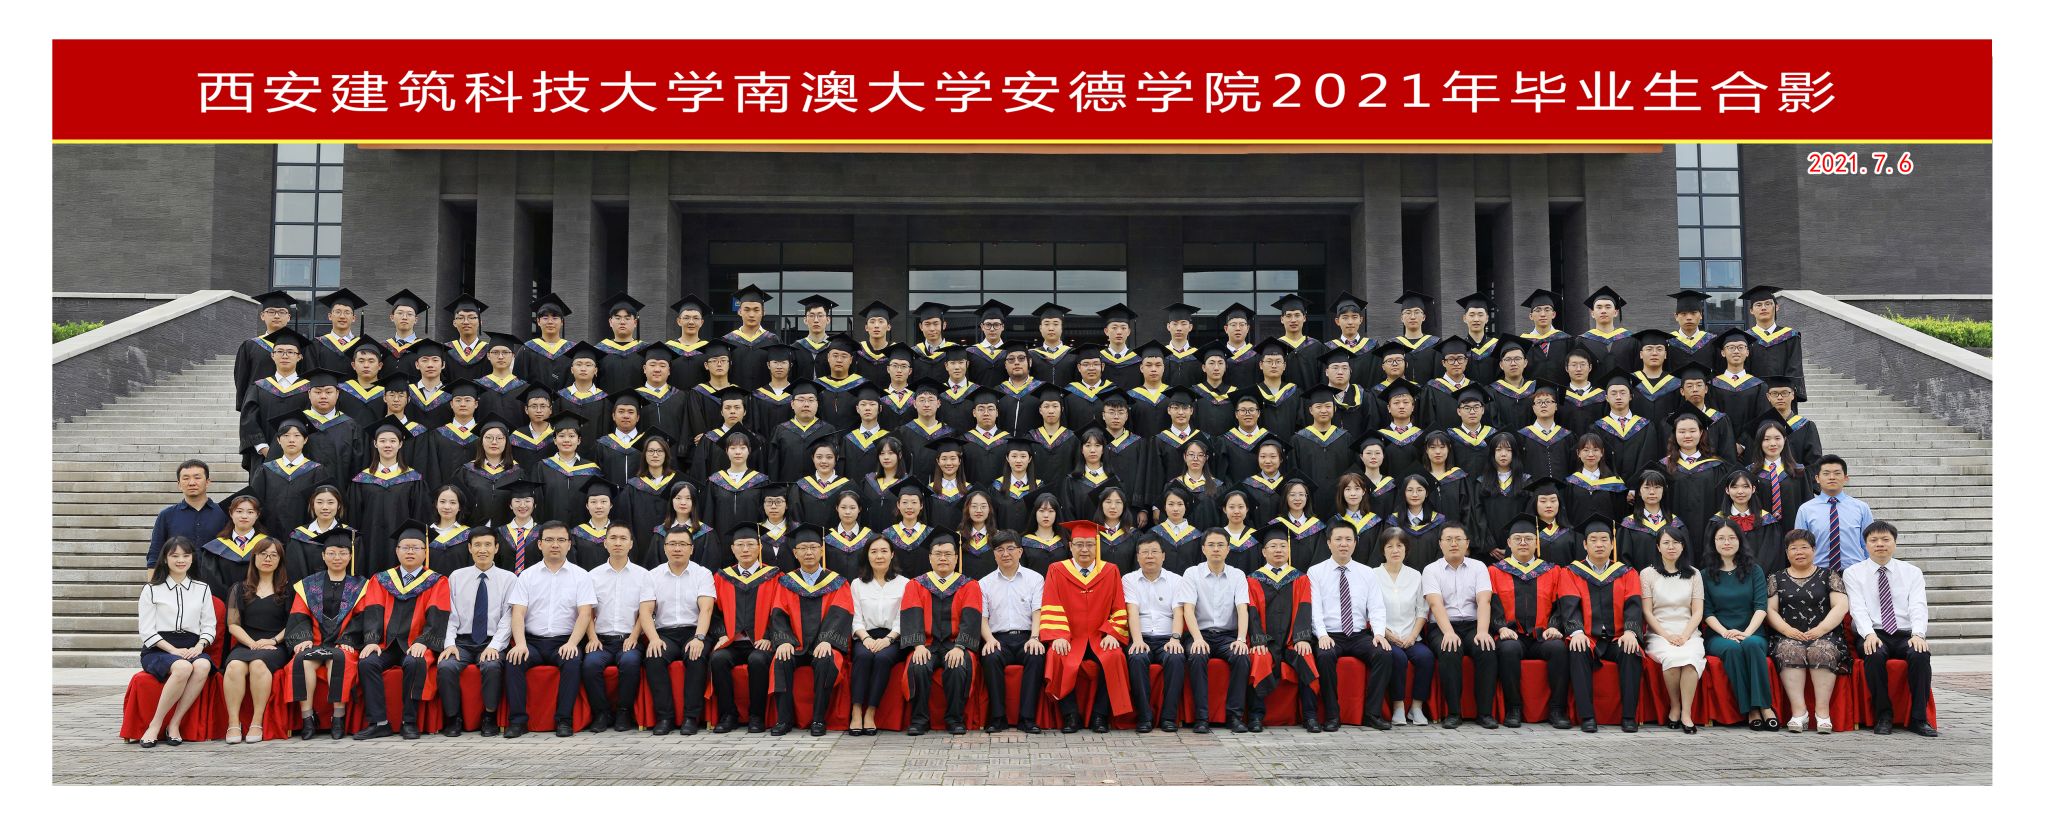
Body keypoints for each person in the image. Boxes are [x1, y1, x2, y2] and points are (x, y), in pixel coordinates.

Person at [351, 521, 452, 741]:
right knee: (367, 662)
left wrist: (423, 641)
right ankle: (379, 723)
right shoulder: (381, 580)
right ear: (396, 551)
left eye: (416, 547)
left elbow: (437, 616)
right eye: (405, 547)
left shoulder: (437, 581)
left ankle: (410, 722)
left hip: (416, 643)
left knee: (415, 662)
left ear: (425, 551)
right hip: (386, 644)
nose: (410, 552)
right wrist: (371, 640)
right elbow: (373, 611)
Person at [504, 522, 597, 738]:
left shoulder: (581, 575)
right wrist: (520, 644)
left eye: (561, 540)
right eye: (549, 540)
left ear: (569, 544)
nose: (555, 545)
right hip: (532, 642)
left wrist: (572, 643)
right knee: (514, 660)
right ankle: (517, 721)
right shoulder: (527, 576)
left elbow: (585, 614)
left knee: (572, 660)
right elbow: (518, 613)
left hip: (564, 640)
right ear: (539, 544)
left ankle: (564, 720)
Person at [1843, 521, 1937, 737]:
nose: (1880, 544)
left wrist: (1918, 634)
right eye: (1874, 540)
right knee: (1874, 654)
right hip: (1874, 632)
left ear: (1895, 543)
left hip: (1905, 633)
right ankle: (1883, 715)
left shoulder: (1912, 572)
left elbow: (1918, 605)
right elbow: (1857, 608)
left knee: (1920, 654)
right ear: (1865, 544)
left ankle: (1919, 718)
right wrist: (1868, 634)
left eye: (1885, 539)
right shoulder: (1853, 572)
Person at [1040, 520, 1131, 733]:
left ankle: (1100, 715)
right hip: (1070, 637)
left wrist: (1112, 634)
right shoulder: (1057, 570)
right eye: (1079, 544)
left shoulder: (1110, 570)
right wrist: (1059, 635)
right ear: (1070, 546)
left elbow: (1119, 608)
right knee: (1056, 654)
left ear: (1097, 546)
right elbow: (1051, 603)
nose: (1084, 549)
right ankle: (1070, 716)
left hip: (1100, 636)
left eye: (1090, 544)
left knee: (1115, 656)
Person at [286, 528, 377, 740]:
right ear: (323, 555)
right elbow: (299, 614)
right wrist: (304, 638)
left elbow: (363, 617)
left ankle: (338, 717)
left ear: (350, 556)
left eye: (343, 553)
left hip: (343, 644)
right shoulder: (308, 585)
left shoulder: (361, 586)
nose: (337, 557)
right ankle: (308, 718)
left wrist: (348, 639)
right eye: (332, 553)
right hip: (315, 641)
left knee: (339, 659)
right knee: (302, 661)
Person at [1486, 515, 1575, 729]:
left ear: (1537, 542)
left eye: (1528, 538)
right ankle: (1513, 708)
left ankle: (1557, 709)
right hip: (1511, 634)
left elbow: (1561, 604)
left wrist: (1554, 626)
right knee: (1508, 649)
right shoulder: (1495, 571)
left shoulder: (1553, 571)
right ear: (1509, 543)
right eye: (1518, 539)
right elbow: (1490, 604)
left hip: (1542, 636)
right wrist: (1500, 627)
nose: (1523, 543)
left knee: (1558, 648)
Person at [765, 526, 855, 736]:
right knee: (781, 659)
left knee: (826, 659)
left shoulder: (837, 582)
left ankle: (818, 719)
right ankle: (784, 720)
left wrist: (827, 640)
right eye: (803, 548)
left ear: (821, 551)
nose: (808, 552)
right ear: (795, 553)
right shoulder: (786, 582)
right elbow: (778, 613)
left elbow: (841, 613)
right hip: (795, 644)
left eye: (813, 547)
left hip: (823, 644)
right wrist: (784, 640)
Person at [1306, 522, 1395, 730]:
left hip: (1358, 635)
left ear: (1355, 543)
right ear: (1329, 543)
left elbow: (1376, 607)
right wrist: (1322, 635)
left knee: (1383, 654)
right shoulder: (1315, 572)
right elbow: (1314, 609)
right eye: (1338, 539)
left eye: (1348, 539)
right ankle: (1332, 716)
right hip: (1331, 634)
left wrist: (1379, 633)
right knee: (1325, 656)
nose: (1343, 544)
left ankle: (1372, 714)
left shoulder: (1367, 572)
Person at [1560, 515, 1645, 732]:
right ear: (1584, 544)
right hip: (1588, 637)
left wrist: (1631, 632)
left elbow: (1634, 605)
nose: (1599, 544)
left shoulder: (1627, 573)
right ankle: (1587, 717)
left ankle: (1629, 717)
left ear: (1612, 543)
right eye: (1594, 540)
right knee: (1576, 649)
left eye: (1604, 539)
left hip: (1617, 637)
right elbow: (1569, 606)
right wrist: (1577, 632)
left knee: (1631, 651)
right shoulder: (1571, 572)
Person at [134, 538, 217, 748]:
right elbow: (147, 631)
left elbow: (209, 625)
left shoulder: (202, 588)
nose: (181, 560)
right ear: (165, 559)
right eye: (175, 556)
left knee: (203, 664)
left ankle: (175, 723)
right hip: (159, 647)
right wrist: (173, 650)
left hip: (191, 645)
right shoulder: (151, 589)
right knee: (182, 667)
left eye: (186, 555)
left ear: (192, 559)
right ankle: (155, 725)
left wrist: (199, 646)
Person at [1765, 530, 1849, 734]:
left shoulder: (1829, 575)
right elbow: (1770, 610)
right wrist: (1787, 630)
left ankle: (1822, 713)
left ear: (1814, 550)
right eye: (1793, 548)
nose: (1799, 552)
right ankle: (1799, 713)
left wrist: (1821, 629)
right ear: (1787, 552)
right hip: (1787, 635)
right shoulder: (1776, 578)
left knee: (1821, 650)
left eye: (1804, 547)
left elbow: (1841, 606)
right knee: (1789, 649)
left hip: (1826, 634)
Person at [899, 534, 982, 736]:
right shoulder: (916, 584)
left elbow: (971, 618)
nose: (943, 558)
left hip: (955, 643)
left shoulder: (969, 585)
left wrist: (960, 647)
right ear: (930, 558)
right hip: (926, 643)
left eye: (947, 554)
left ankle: (955, 719)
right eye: (937, 554)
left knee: (957, 666)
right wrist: (918, 645)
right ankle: (919, 720)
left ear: (956, 558)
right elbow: (912, 615)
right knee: (918, 665)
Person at [1700, 522, 1778, 730]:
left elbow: (1761, 607)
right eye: (1721, 538)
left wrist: (1746, 633)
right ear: (1713, 542)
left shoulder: (1754, 571)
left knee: (1751, 645)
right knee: (1732, 649)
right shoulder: (1705, 575)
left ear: (1740, 541)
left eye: (1732, 538)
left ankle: (1765, 706)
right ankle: (1751, 710)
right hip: (1719, 635)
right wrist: (1725, 633)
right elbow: (1707, 612)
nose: (1726, 542)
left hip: (1752, 631)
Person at [437, 529, 515, 737]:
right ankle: (453, 718)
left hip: (491, 640)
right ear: (470, 548)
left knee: (492, 665)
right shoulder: (456, 577)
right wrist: (449, 644)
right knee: (446, 666)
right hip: (462, 641)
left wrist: (494, 646)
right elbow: (450, 614)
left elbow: (508, 618)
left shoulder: (508, 579)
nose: (483, 550)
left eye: (488, 545)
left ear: (496, 548)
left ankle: (489, 717)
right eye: (478, 545)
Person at [641, 526, 718, 735]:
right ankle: (664, 718)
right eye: (672, 544)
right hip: (665, 633)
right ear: (664, 547)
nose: (677, 549)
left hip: (694, 630)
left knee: (696, 656)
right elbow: (645, 612)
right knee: (654, 657)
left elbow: (706, 609)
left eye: (683, 544)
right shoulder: (653, 575)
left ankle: (691, 718)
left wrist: (699, 638)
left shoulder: (702, 574)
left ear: (691, 548)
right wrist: (654, 639)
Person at [1245, 526, 1322, 731]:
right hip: (1265, 641)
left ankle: (1310, 716)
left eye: (1282, 546)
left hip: (1291, 640)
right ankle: (1255, 716)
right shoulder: (1253, 579)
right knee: (1259, 658)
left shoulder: (1300, 578)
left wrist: (1302, 638)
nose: (1278, 550)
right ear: (1264, 552)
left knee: (1306, 656)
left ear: (1289, 550)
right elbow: (1251, 611)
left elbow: (1305, 606)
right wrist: (1258, 640)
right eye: (1273, 546)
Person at [706, 525, 781, 733]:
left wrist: (769, 636)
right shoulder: (722, 577)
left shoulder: (773, 576)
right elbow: (712, 611)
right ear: (732, 549)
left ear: (759, 547)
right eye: (740, 545)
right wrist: (721, 634)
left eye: (750, 544)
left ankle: (756, 716)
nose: (745, 549)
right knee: (718, 659)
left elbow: (780, 611)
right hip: (732, 641)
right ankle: (728, 715)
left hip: (761, 642)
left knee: (757, 660)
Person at [580, 525, 655, 733]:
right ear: (605, 543)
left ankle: (623, 712)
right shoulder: (592, 576)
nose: (618, 543)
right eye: (613, 538)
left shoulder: (643, 576)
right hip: (601, 640)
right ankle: (601, 713)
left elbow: (645, 612)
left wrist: (634, 636)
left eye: (623, 538)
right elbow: (587, 612)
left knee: (630, 663)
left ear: (631, 544)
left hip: (629, 639)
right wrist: (592, 638)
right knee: (590, 665)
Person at [1182, 527, 1253, 732]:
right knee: (1197, 656)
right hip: (1200, 633)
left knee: (1241, 656)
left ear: (1228, 549)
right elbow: (1188, 610)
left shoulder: (1237, 575)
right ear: (1203, 549)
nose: (1216, 549)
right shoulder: (1192, 573)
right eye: (1211, 545)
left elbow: (1242, 609)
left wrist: (1241, 639)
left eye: (1220, 545)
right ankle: (1201, 718)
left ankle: (1234, 717)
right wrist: (1197, 639)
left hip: (1227, 636)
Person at [221, 538, 291, 744]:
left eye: (273, 555)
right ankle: (233, 722)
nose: (268, 559)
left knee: (259, 664)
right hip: (246, 642)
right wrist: (252, 643)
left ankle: (256, 721)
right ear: (254, 558)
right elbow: (233, 624)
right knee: (234, 666)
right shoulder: (239, 588)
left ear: (280, 560)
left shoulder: (288, 590)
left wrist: (273, 641)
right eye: (263, 554)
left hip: (275, 645)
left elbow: (293, 623)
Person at [977, 532, 1047, 733]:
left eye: (1010, 549)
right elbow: (982, 617)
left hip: (1027, 636)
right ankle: (998, 718)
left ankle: (1027, 719)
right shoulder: (985, 583)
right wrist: (989, 639)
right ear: (994, 554)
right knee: (990, 656)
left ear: (1020, 551)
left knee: (1036, 655)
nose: (1005, 554)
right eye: (999, 550)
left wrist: (1035, 637)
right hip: (998, 638)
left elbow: (1038, 611)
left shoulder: (1034, 579)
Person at [1121, 536, 1192, 733]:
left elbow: (1178, 612)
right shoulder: (1129, 579)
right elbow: (1132, 611)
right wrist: (1137, 640)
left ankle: (1169, 717)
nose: (1149, 556)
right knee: (1137, 657)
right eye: (1144, 552)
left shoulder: (1176, 580)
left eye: (1154, 552)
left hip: (1167, 637)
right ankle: (1144, 717)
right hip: (1141, 636)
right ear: (1138, 557)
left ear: (1163, 556)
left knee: (1176, 658)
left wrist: (1175, 638)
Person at [1640, 527, 1706, 733]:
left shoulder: (1694, 574)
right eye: (1666, 543)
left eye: (1676, 542)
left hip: (1689, 632)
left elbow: (1698, 611)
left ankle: (1686, 712)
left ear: (1683, 546)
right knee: (1671, 658)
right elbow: (1647, 612)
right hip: (1659, 633)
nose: (1671, 547)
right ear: (1658, 547)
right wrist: (1667, 635)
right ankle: (1675, 706)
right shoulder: (1647, 574)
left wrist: (1685, 635)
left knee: (1690, 659)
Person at [349, 417, 433, 576]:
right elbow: (354, 518)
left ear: (400, 444)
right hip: (369, 544)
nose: (387, 445)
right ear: (375, 444)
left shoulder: (413, 479)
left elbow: (420, 516)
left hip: (403, 545)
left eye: (393, 441)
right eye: (382, 441)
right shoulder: (362, 480)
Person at [1370, 526, 1432, 726]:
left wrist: (1412, 636)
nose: (1395, 550)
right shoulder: (1372, 575)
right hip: (1385, 637)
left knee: (1425, 657)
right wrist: (1387, 634)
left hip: (1411, 635)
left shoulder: (1416, 575)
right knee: (1397, 657)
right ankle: (1398, 707)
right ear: (1383, 550)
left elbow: (1422, 610)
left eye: (1399, 546)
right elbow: (1369, 611)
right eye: (1390, 546)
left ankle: (1416, 708)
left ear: (1406, 549)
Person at [846, 536, 907, 736]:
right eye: (874, 551)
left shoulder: (904, 584)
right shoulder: (857, 584)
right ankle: (856, 710)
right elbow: (855, 617)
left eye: (883, 551)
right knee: (863, 656)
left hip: (894, 637)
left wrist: (888, 639)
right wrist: (866, 639)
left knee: (882, 658)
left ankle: (870, 712)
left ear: (892, 554)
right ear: (867, 555)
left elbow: (903, 617)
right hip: (865, 635)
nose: (879, 556)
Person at [247, 417, 339, 541]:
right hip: (270, 537)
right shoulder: (266, 470)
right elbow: (255, 504)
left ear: (305, 440)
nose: (291, 440)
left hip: (305, 537)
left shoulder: (316, 470)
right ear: (278, 440)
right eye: (286, 435)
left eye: (297, 435)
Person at [1795, 455, 1873, 572]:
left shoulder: (1861, 508)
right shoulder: (1805, 510)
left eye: (1837, 473)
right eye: (1826, 473)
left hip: (1855, 572)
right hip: (1818, 573)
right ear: (1817, 478)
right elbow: (1800, 545)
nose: (1832, 477)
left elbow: (1869, 543)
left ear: (1845, 478)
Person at [149, 461, 227, 569]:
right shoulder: (166, 515)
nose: (192, 483)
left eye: (197, 477)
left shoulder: (224, 513)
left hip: (216, 577)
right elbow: (155, 554)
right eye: (186, 478)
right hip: (178, 576)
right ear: (179, 484)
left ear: (207, 482)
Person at [1740, 285, 1806, 402]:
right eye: (1758, 305)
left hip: (1783, 398)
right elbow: (1743, 369)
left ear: (1776, 307)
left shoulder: (1790, 336)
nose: (1763, 308)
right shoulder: (1745, 339)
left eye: (1768, 304)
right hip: (1754, 397)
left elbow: (1795, 368)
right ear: (1751, 311)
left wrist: (1785, 393)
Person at [198, 491, 268, 600]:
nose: (244, 516)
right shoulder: (215, 547)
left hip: (260, 602)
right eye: (239, 511)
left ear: (257, 515)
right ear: (231, 513)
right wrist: (232, 600)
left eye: (250, 512)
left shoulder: (269, 545)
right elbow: (212, 581)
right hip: (224, 602)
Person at [234, 290, 300, 401]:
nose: (277, 316)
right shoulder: (250, 346)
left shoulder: (301, 347)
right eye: (271, 311)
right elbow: (241, 381)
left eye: (282, 312)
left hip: (294, 403)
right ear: (262, 316)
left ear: (288, 317)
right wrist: (246, 406)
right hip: (258, 404)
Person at [441, 295, 495, 385]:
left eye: (471, 317)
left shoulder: (490, 351)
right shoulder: (445, 350)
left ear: (480, 322)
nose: (466, 322)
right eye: (460, 318)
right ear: (454, 323)